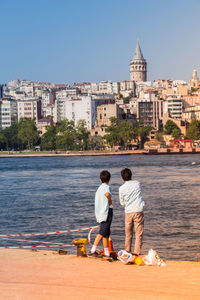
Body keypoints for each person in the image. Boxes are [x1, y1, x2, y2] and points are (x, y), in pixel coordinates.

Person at [119, 168, 144, 255]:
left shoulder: (121, 188)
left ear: (122, 178)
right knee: (138, 234)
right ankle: (136, 253)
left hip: (128, 212)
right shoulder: (137, 184)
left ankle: (127, 251)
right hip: (138, 210)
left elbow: (122, 203)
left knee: (128, 234)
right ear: (131, 176)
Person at [88, 170, 113, 257]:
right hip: (106, 212)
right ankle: (92, 250)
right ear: (109, 179)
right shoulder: (107, 187)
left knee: (106, 232)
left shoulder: (99, 188)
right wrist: (110, 202)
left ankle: (106, 252)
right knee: (102, 232)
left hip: (100, 212)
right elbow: (107, 194)